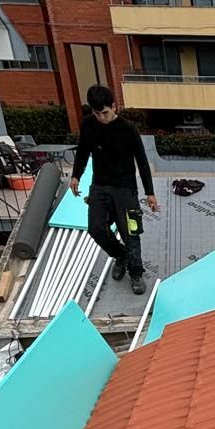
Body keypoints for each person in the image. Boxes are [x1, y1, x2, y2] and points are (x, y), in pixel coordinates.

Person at [70, 85, 158, 296]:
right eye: (97, 113)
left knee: (130, 231)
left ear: (114, 106)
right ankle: (121, 256)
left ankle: (136, 273)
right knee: (96, 228)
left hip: (125, 188)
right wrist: (76, 175)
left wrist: (150, 193)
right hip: (99, 184)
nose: (101, 117)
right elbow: (83, 151)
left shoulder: (128, 129)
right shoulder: (88, 124)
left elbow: (142, 162)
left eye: (105, 113)